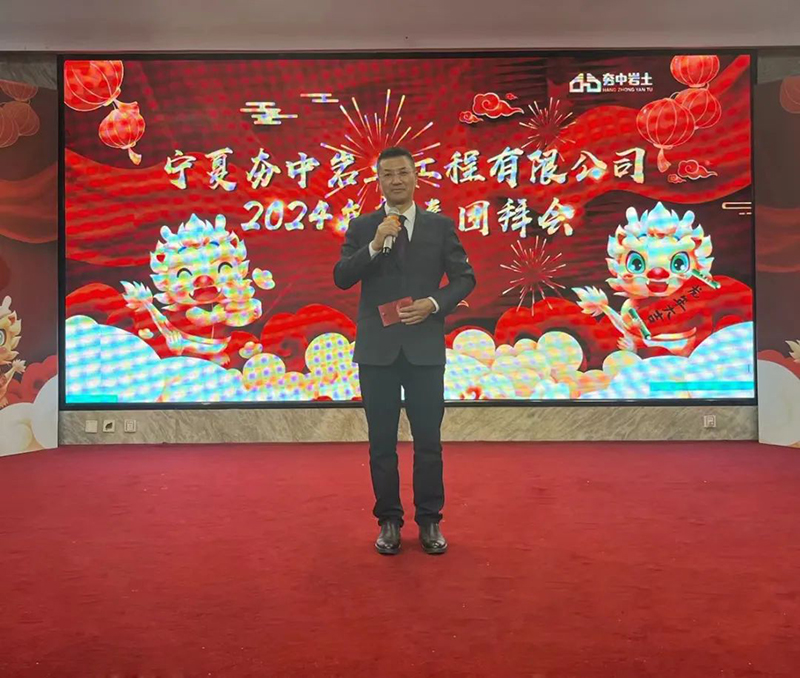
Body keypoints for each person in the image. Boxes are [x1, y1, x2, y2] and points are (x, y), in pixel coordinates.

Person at [333, 147, 476, 555]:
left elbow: (465, 278)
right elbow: (342, 276)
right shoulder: (363, 227)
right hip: (377, 351)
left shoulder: (440, 226)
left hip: (423, 348)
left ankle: (430, 520)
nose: (395, 180)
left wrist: (434, 303)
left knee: (428, 439)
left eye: (402, 173)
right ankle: (389, 521)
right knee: (381, 442)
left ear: (416, 178)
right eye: (387, 175)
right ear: (378, 181)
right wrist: (374, 245)